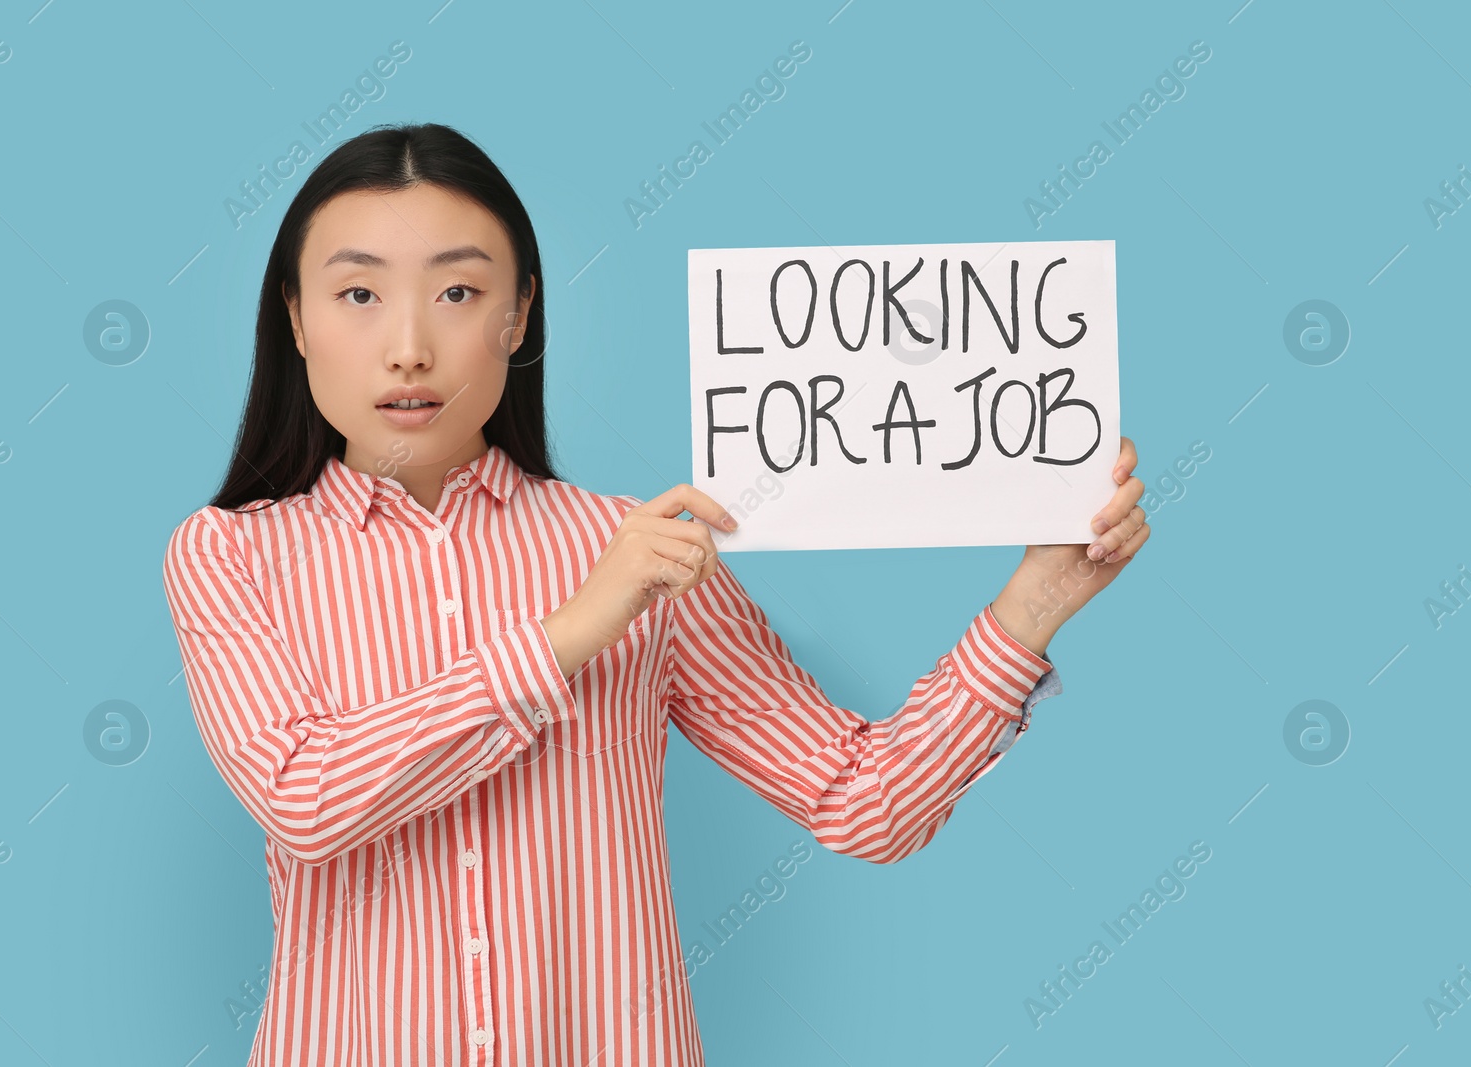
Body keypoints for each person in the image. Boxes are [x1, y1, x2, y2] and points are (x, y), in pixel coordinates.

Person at [160, 122, 1149, 1067]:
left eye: (458, 290)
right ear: (295, 317)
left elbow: (867, 803)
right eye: (359, 295)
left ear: (520, 316)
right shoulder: (231, 554)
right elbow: (307, 797)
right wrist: (571, 631)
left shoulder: (645, 553)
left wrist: (1033, 602)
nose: (409, 346)